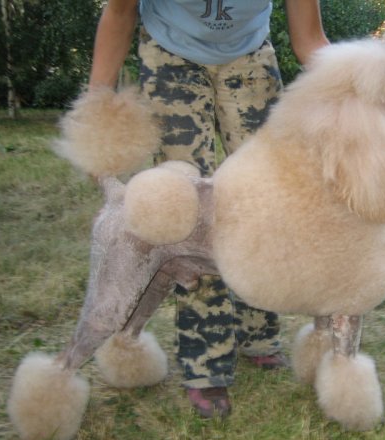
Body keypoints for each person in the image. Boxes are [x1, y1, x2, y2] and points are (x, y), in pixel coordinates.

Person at [88, 0, 329, 418]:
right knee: (186, 211)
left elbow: (309, 40)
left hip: (250, 55)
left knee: (265, 197)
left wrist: (357, 92)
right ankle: (205, 364)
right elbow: (121, 11)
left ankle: (258, 332)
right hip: (170, 53)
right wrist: (96, 104)